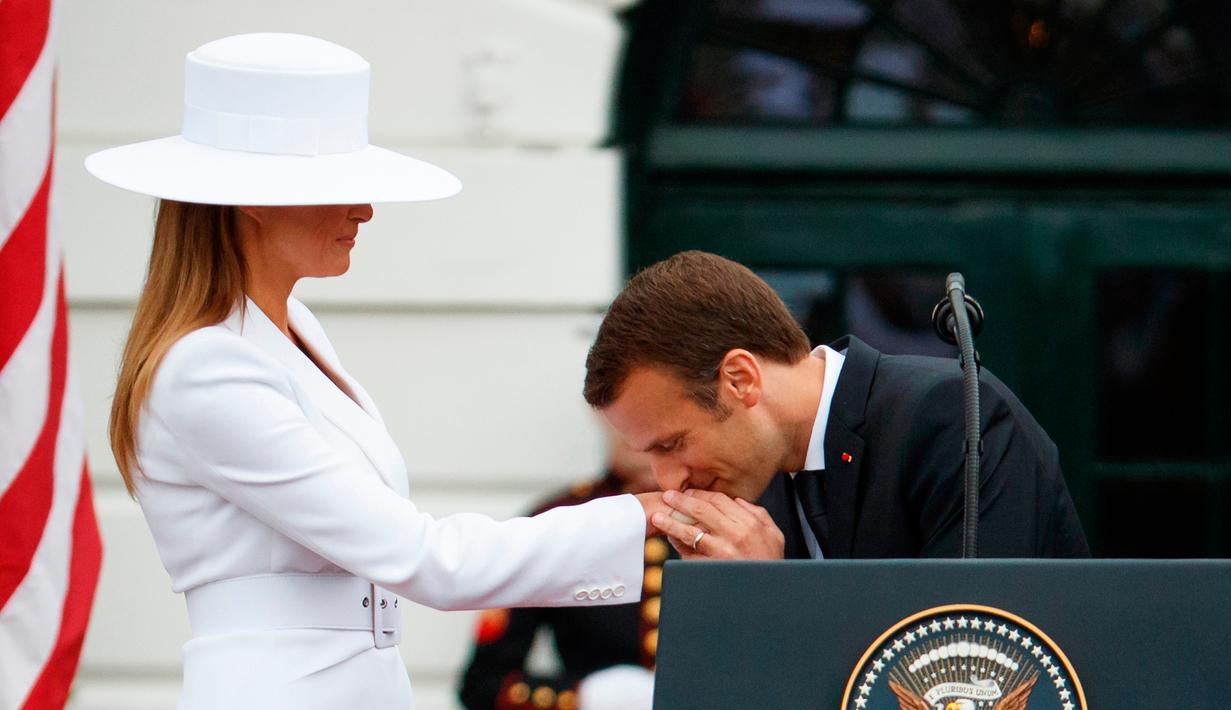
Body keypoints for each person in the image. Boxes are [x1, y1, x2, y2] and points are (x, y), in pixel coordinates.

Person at [87, 33, 666, 710]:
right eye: (340, 185)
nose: (363, 209)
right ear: (254, 198)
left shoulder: (290, 331)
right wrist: (651, 516)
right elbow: (424, 559)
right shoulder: (205, 368)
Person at [583, 251, 1090, 561]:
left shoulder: (947, 416)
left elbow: (966, 660)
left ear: (740, 379)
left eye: (672, 444)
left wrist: (761, 597)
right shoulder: (749, 481)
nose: (668, 482)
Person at [458, 428, 668, 710]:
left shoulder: (724, 517)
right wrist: (582, 696)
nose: (641, 430)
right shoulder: (564, 520)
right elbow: (482, 684)